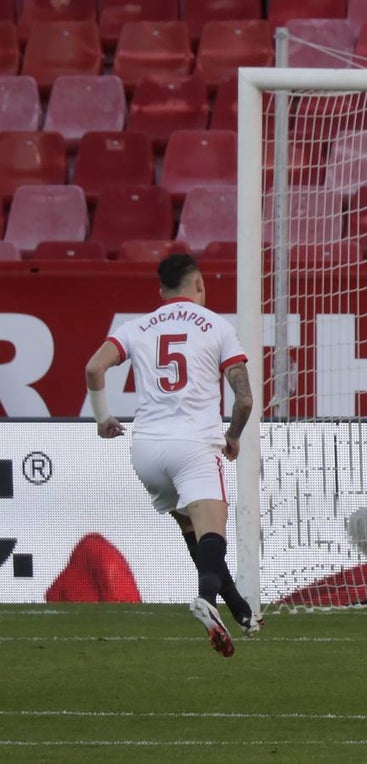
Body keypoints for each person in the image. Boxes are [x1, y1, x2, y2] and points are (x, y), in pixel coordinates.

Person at [84, 253, 259, 657]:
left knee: (193, 531)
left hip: (145, 451)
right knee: (214, 531)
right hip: (193, 445)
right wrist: (232, 437)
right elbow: (245, 400)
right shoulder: (217, 326)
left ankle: (238, 609)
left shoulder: (136, 327)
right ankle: (208, 602)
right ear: (198, 284)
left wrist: (102, 418)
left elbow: (94, 368)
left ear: (161, 292)